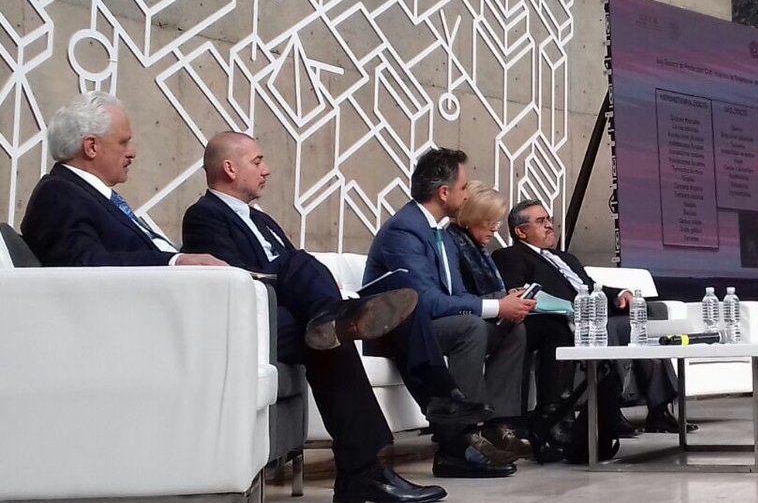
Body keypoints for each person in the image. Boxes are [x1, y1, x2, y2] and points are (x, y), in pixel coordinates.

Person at [22, 95, 443, 503]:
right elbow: (82, 266)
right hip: (161, 329)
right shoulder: (60, 194)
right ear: (91, 146)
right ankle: (362, 470)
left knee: (323, 331)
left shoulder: (89, 195)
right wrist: (176, 261)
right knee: (316, 318)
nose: (132, 152)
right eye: (123, 142)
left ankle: (363, 466)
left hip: (185, 313)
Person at [181, 131, 490, 484]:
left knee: (405, 302)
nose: (266, 170)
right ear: (230, 168)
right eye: (257, 162)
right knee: (304, 278)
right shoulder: (204, 215)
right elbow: (234, 279)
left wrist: (330, 291)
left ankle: (441, 397)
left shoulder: (261, 219)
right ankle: (363, 467)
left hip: (306, 306)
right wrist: (310, 285)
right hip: (268, 316)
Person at [366, 148, 534, 478]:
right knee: (470, 327)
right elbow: (424, 302)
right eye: (463, 187)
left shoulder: (439, 233)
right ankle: (460, 442)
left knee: (512, 328)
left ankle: (495, 425)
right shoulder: (404, 231)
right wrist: (495, 306)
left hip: (434, 325)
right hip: (399, 331)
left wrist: (503, 304)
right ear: (444, 192)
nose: (467, 194)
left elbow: (455, 295)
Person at [493, 200, 695, 434]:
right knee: (609, 328)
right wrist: (567, 307)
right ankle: (609, 413)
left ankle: (659, 411)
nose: (549, 225)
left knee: (640, 323)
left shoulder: (566, 258)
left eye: (549, 219)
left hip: (591, 316)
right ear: (521, 232)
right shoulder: (511, 256)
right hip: (559, 319)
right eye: (541, 221)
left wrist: (620, 294)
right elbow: (520, 292)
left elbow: (590, 287)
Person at [448, 181, 573, 449]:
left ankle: (501, 422)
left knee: (515, 329)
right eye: (490, 221)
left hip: (479, 314)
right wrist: (499, 303)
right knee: (519, 328)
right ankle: (473, 426)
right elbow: (454, 294)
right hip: (459, 318)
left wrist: (505, 297)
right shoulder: (453, 245)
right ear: (471, 218)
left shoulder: (477, 249)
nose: (495, 228)